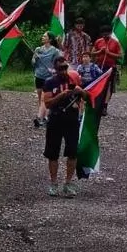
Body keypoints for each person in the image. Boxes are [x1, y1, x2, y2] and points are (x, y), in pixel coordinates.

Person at [42, 53, 86, 197]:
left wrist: (81, 92)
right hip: (55, 118)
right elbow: (47, 103)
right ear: (55, 68)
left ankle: (68, 183)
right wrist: (62, 95)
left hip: (72, 120)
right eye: (60, 68)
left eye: (65, 67)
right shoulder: (50, 82)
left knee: (73, 152)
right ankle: (53, 183)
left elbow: (86, 95)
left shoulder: (74, 78)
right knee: (53, 153)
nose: (63, 70)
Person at [31, 35, 60, 128]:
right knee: (40, 98)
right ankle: (41, 117)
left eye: (45, 36)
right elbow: (33, 63)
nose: (42, 37)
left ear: (50, 39)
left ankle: (45, 117)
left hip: (49, 77)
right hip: (39, 75)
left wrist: (54, 70)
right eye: (42, 36)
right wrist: (34, 58)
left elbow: (58, 63)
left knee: (46, 98)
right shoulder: (38, 49)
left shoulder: (55, 51)